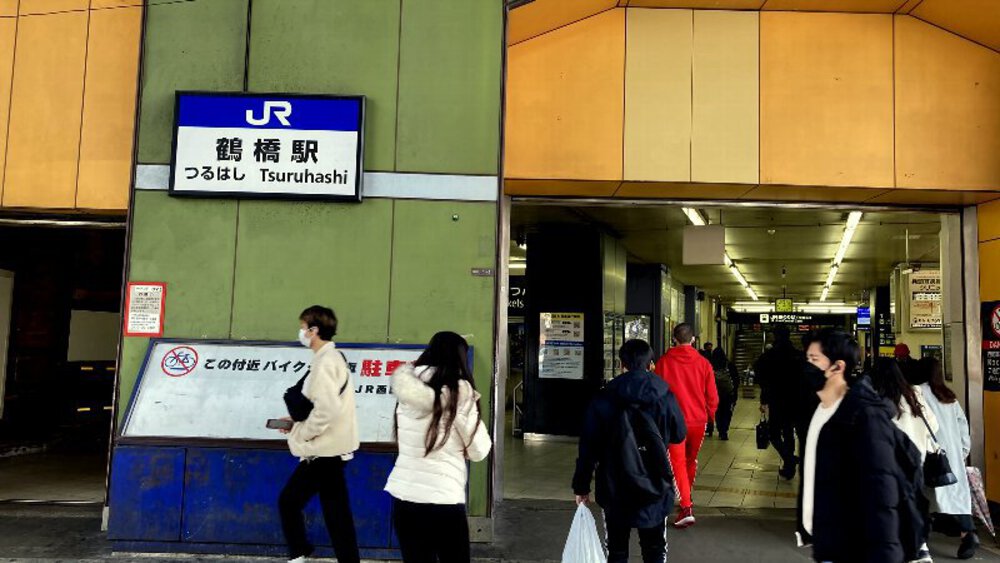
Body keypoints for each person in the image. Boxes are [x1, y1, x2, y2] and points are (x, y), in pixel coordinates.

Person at [797, 328, 922, 563]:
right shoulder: (820, 413)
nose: (807, 367)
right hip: (831, 542)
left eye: (814, 360)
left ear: (838, 367)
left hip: (857, 547)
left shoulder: (864, 416)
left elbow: (883, 496)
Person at [573, 339, 687, 563]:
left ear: (620, 363)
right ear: (650, 363)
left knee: (616, 550)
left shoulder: (603, 397)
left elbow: (588, 447)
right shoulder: (664, 395)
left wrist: (581, 486)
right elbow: (679, 434)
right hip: (654, 483)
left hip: (614, 483)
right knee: (654, 548)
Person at [385, 332, 492, 563]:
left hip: (405, 498)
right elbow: (479, 451)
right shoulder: (458, 390)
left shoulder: (406, 389)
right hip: (444, 500)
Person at [278, 306, 361, 563]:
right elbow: (322, 405)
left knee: (288, 502)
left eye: (303, 327)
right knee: (337, 514)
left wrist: (303, 433)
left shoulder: (326, 362)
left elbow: (326, 410)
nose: (301, 332)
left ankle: (298, 554)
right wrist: (295, 421)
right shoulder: (330, 359)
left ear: (314, 330)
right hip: (332, 448)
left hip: (324, 450)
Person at [871, 358, 939, 563]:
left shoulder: (876, 400)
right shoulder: (914, 394)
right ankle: (921, 549)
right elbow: (934, 426)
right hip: (915, 459)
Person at [913, 357, 979, 560]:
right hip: (952, 455)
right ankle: (967, 534)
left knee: (924, 499)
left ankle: (920, 542)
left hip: (931, 455)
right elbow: (962, 424)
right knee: (955, 499)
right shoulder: (949, 395)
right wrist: (962, 451)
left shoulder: (917, 392)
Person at [654, 323, 718, 528]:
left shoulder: (664, 362)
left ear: (674, 339)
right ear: (693, 340)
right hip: (698, 421)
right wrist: (710, 417)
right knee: (690, 461)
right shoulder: (704, 363)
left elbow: (657, 393)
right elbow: (713, 397)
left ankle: (686, 506)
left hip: (673, 422)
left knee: (678, 463)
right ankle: (686, 500)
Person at [755, 326, 807, 479]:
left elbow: (762, 379)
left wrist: (764, 400)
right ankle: (789, 465)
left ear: (774, 336)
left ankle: (789, 460)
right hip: (795, 400)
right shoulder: (798, 356)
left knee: (774, 434)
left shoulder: (769, 356)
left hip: (777, 400)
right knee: (789, 432)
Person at [710, 347, 738, 441]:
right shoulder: (729, 365)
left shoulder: (710, 365)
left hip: (715, 393)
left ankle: (720, 429)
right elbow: (736, 380)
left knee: (718, 412)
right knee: (727, 412)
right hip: (728, 394)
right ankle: (724, 431)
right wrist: (735, 395)